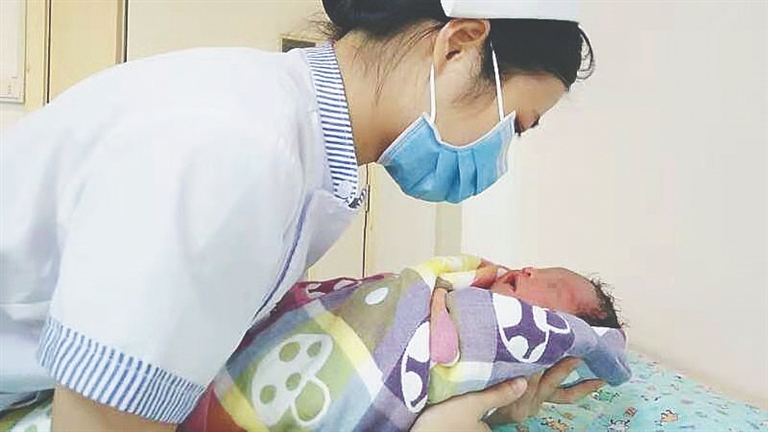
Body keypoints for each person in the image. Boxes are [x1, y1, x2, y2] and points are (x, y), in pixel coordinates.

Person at [0, 0, 598, 430]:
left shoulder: (292, 141)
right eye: (517, 126)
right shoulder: (241, 148)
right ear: (459, 43)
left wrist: (478, 401)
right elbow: (100, 420)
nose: (500, 158)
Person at [179, 256, 625, 432]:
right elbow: (391, 302)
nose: (528, 271)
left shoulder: (510, 347)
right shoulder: (468, 289)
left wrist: (499, 412)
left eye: (551, 284)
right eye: (536, 267)